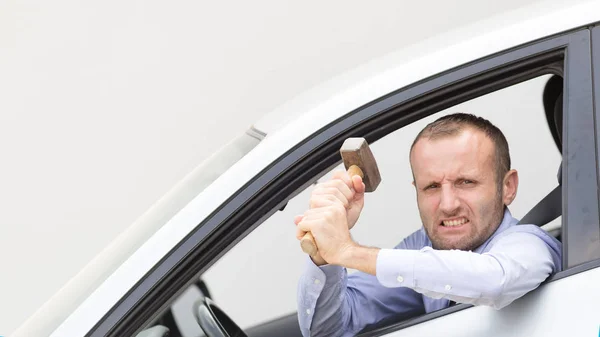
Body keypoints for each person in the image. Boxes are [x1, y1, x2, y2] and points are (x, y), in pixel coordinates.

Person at [294, 113, 562, 337]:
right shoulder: (423, 248)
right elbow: (328, 330)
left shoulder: (531, 245)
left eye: (465, 182)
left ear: (507, 187)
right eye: (432, 187)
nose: (447, 204)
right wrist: (325, 256)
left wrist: (348, 251)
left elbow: (494, 281)